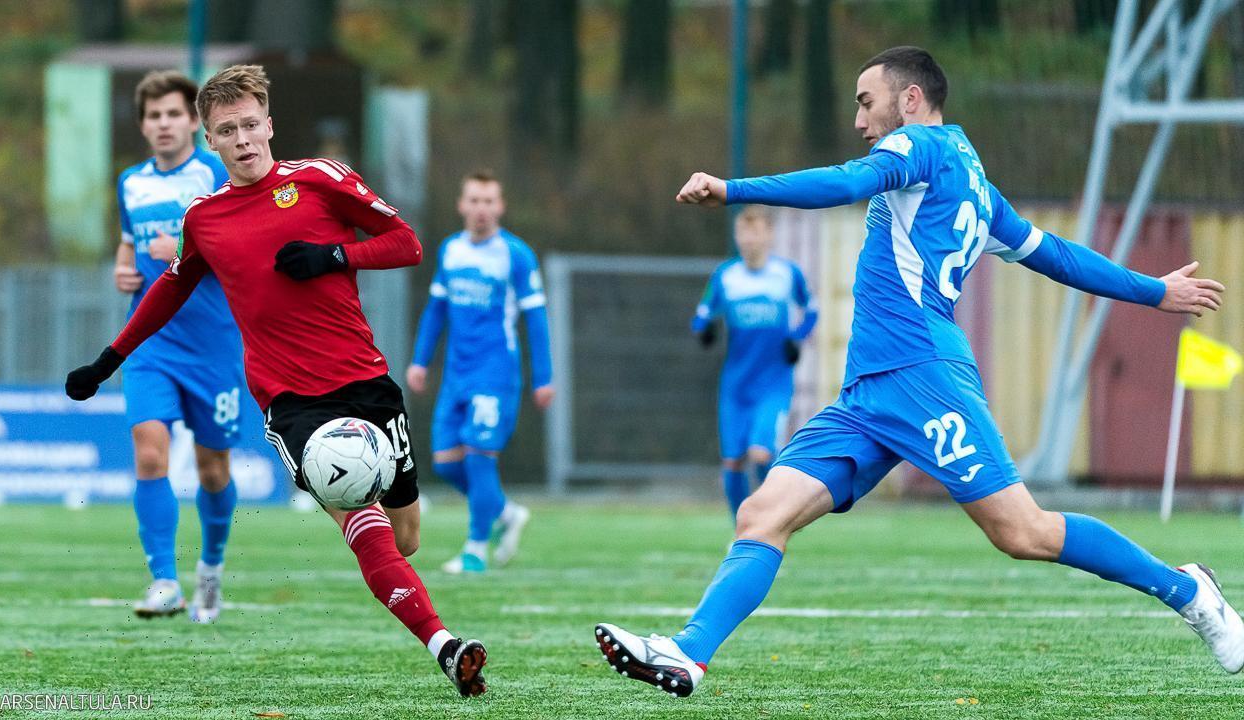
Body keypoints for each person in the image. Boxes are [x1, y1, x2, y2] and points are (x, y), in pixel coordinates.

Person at [594, 46, 1241, 697]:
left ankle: (1188, 590)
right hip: (869, 393)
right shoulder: (975, 185)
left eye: (865, 102)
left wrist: (734, 190)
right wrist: (1153, 291)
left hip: (923, 374)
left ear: (909, 100)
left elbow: (845, 184)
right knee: (762, 514)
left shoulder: (918, 147)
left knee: (1023, 531)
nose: (858, 120)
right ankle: (688, 653)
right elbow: (1056, 253)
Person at [66, 64, 487, 697]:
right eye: (226, 130)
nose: (241, 139)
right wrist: (109, 359)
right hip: (291, 402)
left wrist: (335, 255)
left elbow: (406, 244)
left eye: (249, 125)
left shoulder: (321, 180)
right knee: (359, 520)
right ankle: (445, 646)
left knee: (406, 538)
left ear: (269, 124)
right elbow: (171, 288)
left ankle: (416, 605)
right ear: (211, 141)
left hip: (366, 380)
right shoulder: (204, 217)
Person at [115, 70, 241, 623]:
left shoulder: (214, 173)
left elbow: (241, 245)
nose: (163, 124)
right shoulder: (131, 183)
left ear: (193, 122)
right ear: (143, 126)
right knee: (149, 453)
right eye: (153, 116)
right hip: (151, 342)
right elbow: (129, 245)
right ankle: (164, 581)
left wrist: (187, 245)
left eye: (173, 114)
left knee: (213, 469)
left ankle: (210, 568)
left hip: (213, 345)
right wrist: (123, 268)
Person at [406, 171, 552, 574]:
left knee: (479, 457)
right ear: (462, 205)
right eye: (474, 200)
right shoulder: (451, 250)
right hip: (456, 374)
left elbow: (536, 319)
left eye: (488, 201)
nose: (481, 209)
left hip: (495, 372)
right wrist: (420, 361)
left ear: (500, 207)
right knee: (446, 462)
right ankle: (506, 513)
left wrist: (544, 377)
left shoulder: (516, 255)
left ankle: (474, 551)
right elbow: (436, 311)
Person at [692, 206, 817, 519]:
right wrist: (704, 330)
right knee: (733, 462)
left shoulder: (787, 274)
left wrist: (796, 337)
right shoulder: (725, 277)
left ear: (769, 235)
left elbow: (811, 310)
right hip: (736, 385)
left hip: (774, 383)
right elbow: (701, 316)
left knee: (761, 454)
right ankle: (742, 530)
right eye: (743, 232)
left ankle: (774, 518)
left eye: (756, 232)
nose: (749, 239)